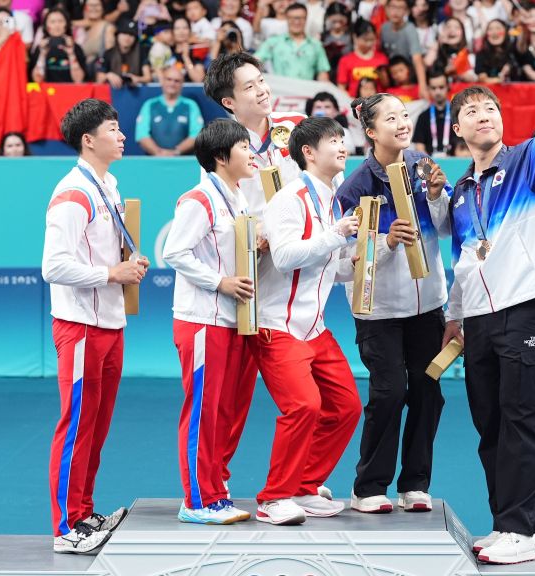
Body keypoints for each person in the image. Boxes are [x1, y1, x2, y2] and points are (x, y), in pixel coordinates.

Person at [441, 32, 535, 565]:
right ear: (456, 128)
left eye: (491, 109)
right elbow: (462, 259)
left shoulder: (531, 161)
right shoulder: (460, 194)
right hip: (478, 320)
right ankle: (504, 524)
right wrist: (454, 316)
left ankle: (523, 531)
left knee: (523, 417)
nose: (485, 116)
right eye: (473, 112)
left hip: (526, 307)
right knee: (490, 424)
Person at [335, 92, 451, 516]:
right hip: (379, 312)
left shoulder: (424, 168)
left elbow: (451, 226)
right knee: (389, 392)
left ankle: (415, 484)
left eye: (405, 115)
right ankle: (368, 486)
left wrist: (438, 196)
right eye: (391, 118)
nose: (403, 123)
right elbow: (340, 262)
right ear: (370, 131)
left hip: (428, 307)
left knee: (427, 390)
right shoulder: (355, 187)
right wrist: (384, 243)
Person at [41, 98, 149, 554]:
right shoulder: (73, 194)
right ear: (88, 141)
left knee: (97, 423)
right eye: (112, 129)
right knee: (77, 422)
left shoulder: (109, 184)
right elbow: (53, 266)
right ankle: (66, 526)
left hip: (109, 321)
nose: (122, 135)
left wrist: (128, 261)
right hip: (80, 325)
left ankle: (84, 511)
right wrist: (112, 274)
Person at [203, 52, 309, 497]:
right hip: (250, 283)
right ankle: (211, 487)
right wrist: (261, 232)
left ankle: (304, 481)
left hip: (298, 285)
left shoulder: (295, 128)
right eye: (249, 87)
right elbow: (226, 211)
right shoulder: (221, 146)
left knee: (315, 397)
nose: (262, 90)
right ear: (229, 102)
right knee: (232, 399)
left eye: (262, 80)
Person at [252, 116, 363, 525]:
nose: (342, 145)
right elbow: (283, 258)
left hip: (313, 328)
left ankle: (304, 485)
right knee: (303, 405)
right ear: (308, 153)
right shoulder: (289, 199)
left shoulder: (331, 199)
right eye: (332, 140)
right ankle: (273, 498)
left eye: (342, 138)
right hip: (277, 326)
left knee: (346, 406)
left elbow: (331, 266)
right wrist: (336, 235)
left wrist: (369, 255)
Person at [162, 119, 255, 525]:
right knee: (203, 410)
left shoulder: (238, 197)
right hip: (202, 320)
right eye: (243, 147)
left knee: (224, 411)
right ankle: (197, 500)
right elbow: (175, 252)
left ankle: (215, 489)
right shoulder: (199, 199)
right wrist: (220, 282)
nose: (251, 154)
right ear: (221, 157)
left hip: (232, 320)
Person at [136, 65, 204, 156]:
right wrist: (158, 153)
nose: (172, 83)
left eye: (177, 81)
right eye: (169, 79)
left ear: (182, 84)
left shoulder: (190, 105)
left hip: (184, 163)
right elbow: (142, 134)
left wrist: (175, 152)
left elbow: (197, 134)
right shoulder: (150, 105)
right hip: (154, 162)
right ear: (162, 81)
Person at [255, 3, 331, 81]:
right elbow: (254, 62)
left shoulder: (316, 45)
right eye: (292, 18)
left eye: (300, 18)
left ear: (306, 19)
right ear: (286, 19)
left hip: (305, 91)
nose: (296, 22)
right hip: (280, 91)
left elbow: (323, 75)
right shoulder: (273, 42)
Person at [379, 0, 428, 98]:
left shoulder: (410, 29)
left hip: (409, 78)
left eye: (400, 8)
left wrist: (423, 86)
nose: (396, 12)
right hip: (392, 77)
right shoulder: (384, 28)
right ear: (387, 8)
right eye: (393, 7)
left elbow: (417, 59)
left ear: (407, 11)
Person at [30, 8, 88, 83]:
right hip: (48, 92)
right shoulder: (40, 48)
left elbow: (78, 79)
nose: (57, 25)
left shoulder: (76, 48)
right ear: (46, 26)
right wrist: (42, 54)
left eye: (60, 21)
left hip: (70, 91)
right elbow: (37, 80)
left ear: (66, 24)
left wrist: (71, 54)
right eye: (52, 22)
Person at [336, 19, 388, 97]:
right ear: (355, 37)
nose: (369, 43)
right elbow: (341, 87)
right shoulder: (345, 60)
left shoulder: (382, 58)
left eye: (372, 39)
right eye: (365, 40)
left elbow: (386, 85)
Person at [96, 16, 150, 87]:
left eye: (131, 35)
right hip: (113, 91)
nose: (127, 38)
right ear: (117, 35)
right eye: (124, 33)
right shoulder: (109, 53)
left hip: (135, 92)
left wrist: (137, 79)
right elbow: (99, 79)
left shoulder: (141, 53)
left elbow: (148, 77)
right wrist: (108, 75)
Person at [412, 68, 455, 156]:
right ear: (428, 89)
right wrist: (429, 165)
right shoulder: (423, 116)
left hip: (455, 163)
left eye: (441, 87)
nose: (437, 92)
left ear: (448, 87)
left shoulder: (457, 114)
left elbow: (464, 144)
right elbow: (419, 147)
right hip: (429, 166)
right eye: (433, 88)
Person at [73, 0, 115, 70]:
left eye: (97, 5)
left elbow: (109, 57)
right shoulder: (79, 28)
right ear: (84, 9)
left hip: (96, 72)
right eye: (90, 5)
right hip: (77, 72)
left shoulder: (107, 28)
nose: (94, 8)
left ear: (103, 8)